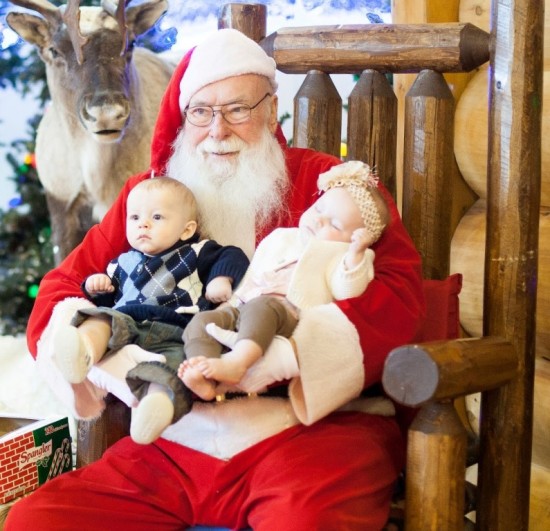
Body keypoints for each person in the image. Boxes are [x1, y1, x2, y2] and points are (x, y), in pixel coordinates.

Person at [7, 28, 425, 531]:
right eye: (201, 112)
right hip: (179, 433)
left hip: (310, 429)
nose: (217, 130)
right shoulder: (153, 198)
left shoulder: (332, 189)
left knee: (306, 520)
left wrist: (279, 359)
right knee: (42, 519)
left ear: (272, 111)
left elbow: (398, 295)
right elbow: (61, 288)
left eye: (238, 110)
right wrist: (125, 367)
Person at [51, 176, 249, 443]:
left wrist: (220, 279)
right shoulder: (121, 263)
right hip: (127, 320)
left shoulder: (198, 251)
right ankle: (83, 350)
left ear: (187, 230)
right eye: (134, 218)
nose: (143, 224)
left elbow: (232, 255)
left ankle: (156, 406)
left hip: (177, 327)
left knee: (177, 366)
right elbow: (107, 302)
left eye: (157, 217)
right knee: (100, 320)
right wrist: (96, 287)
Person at [180, 160, 390, 400]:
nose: (319, 221)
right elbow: (253, 276)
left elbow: (349, 291)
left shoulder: (340, 255)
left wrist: (356, 254)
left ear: (352, 239)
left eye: (335, 224)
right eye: (319, 209)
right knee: (202, 320)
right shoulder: (281, 237)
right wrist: (231, 303)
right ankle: (204, 373)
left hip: (289, 317)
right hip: (246, 307)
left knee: (263, 307)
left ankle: (237, 362)